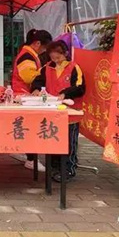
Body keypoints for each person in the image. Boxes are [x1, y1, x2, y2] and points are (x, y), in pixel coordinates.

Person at [31, 40, 86, 183]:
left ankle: (69, 169)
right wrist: (36, 89)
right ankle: (54, 168)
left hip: (70, 111)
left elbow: (80, 87)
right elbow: (38, 81)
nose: (55, 60)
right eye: (52, 57)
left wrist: (65, 94)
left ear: (65, 54)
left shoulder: (74, 68)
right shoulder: (47, 68)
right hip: (51, 110)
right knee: (52, 138)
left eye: (58, 57)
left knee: (69, 142)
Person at [11, 29, 53, 171]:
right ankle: (31, 159)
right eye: (45, 48)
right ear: (37, 43)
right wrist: (46, 71)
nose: (45, 51)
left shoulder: (29, 54)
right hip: (24, 96)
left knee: (25, 127)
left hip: (25, 96)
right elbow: (29, 77)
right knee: (30, 128)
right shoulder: (27, 56)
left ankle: (26, 154)